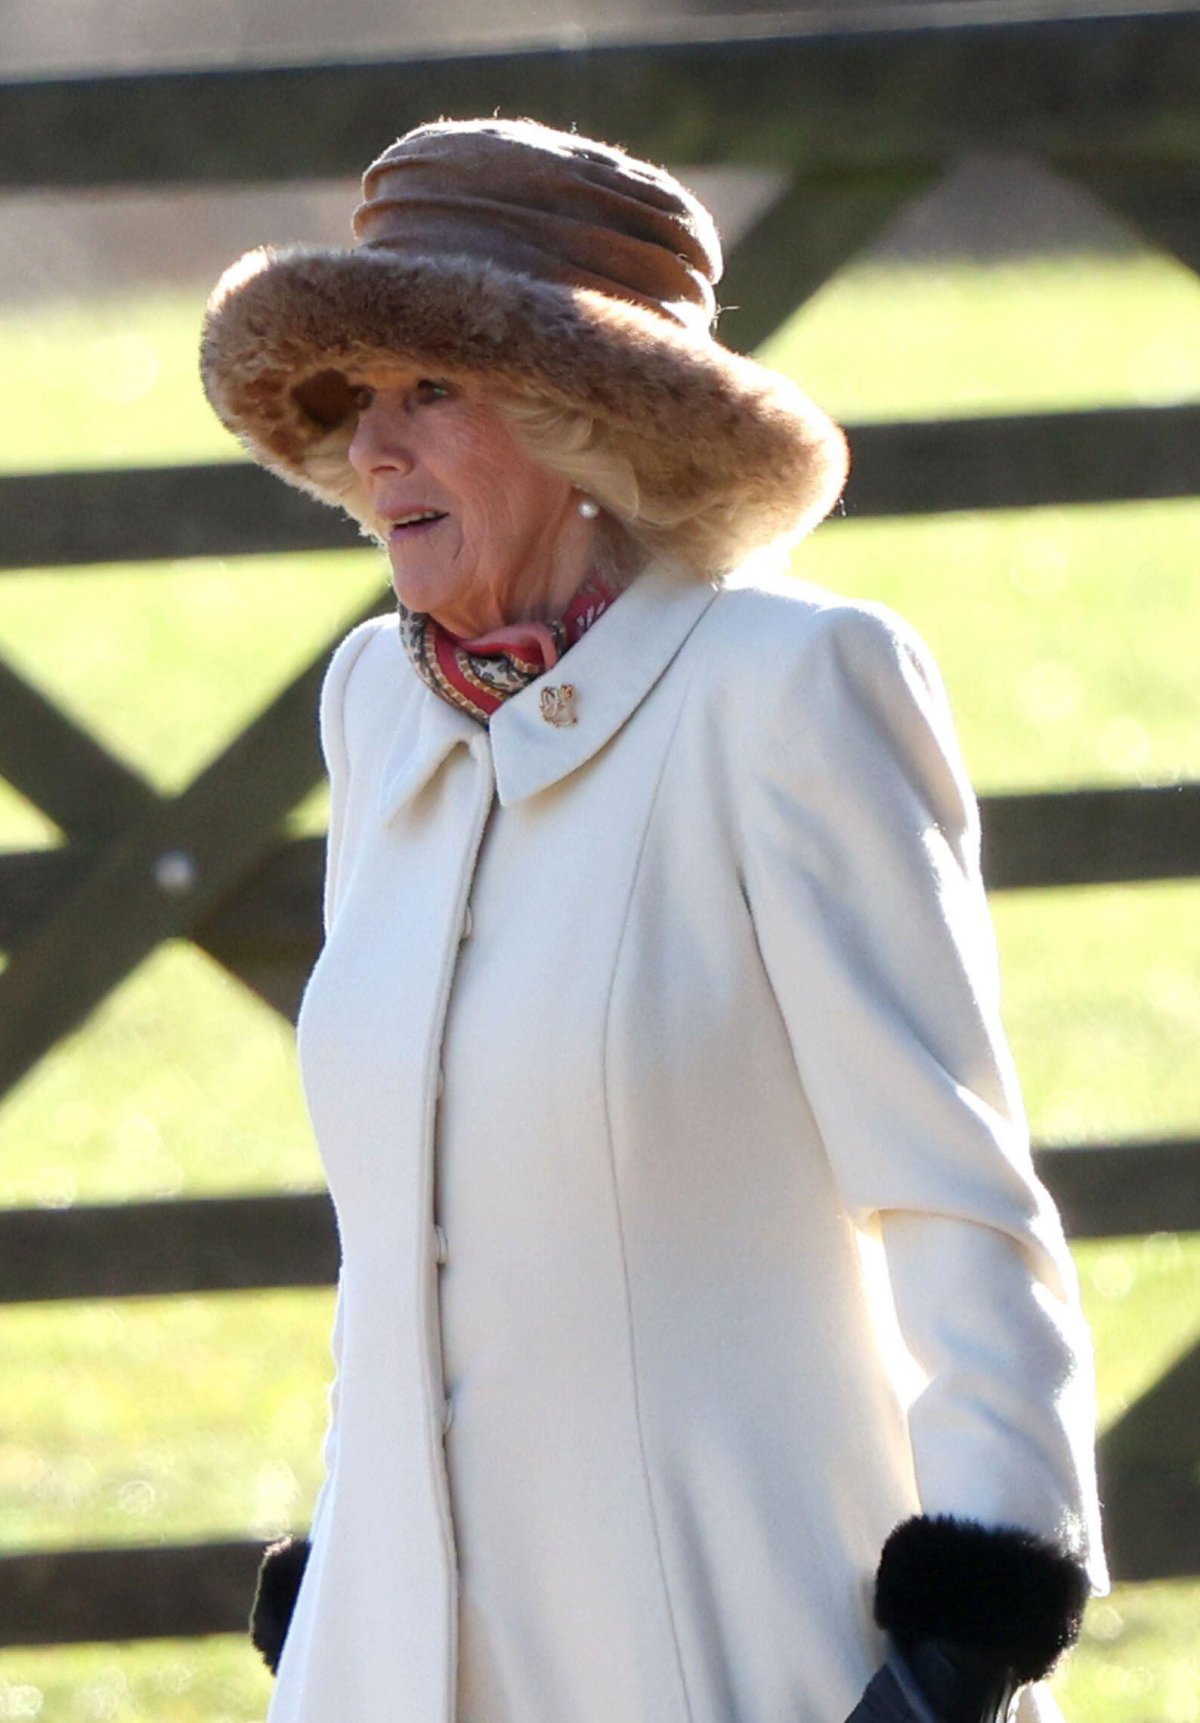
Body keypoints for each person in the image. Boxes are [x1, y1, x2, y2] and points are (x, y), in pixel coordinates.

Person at [200, 117, 1106, 1723]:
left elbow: (954, 1191)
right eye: (355, 397)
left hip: (719, 1630)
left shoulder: (790, 688)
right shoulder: (377, 708)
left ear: (587, 423)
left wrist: (969, 1631)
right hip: (393, 1660)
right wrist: (348, 1555)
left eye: (431, 389)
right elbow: (408, 1221)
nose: (374, 450)